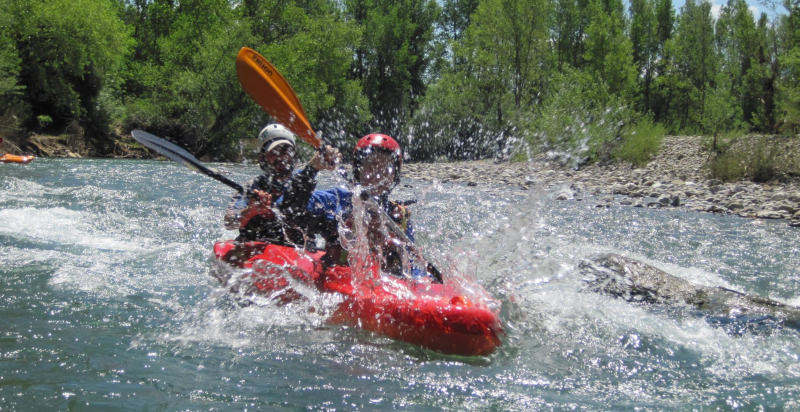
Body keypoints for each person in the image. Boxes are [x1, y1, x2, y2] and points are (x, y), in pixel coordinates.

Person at [300, 133, 435, 279]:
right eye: (369, 166)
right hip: (337, 283)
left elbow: (413, 264)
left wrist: (419, 280)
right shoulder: (338, 200)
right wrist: (311, 169)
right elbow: (292, 207)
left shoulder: (399, 215)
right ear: (358, 171)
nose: (376, 175)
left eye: (384, 167)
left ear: (394, 176)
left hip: (382, 290)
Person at [224, 123, 338, 244]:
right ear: (262, 158)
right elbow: (229, 222)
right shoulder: (253, 187)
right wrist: (251, 211)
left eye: (286, 150)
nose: (281, 157)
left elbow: (296, 195)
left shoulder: (303, 183)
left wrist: (326, 161)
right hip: (257, 247)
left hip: (295, 251)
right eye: (274, 152)